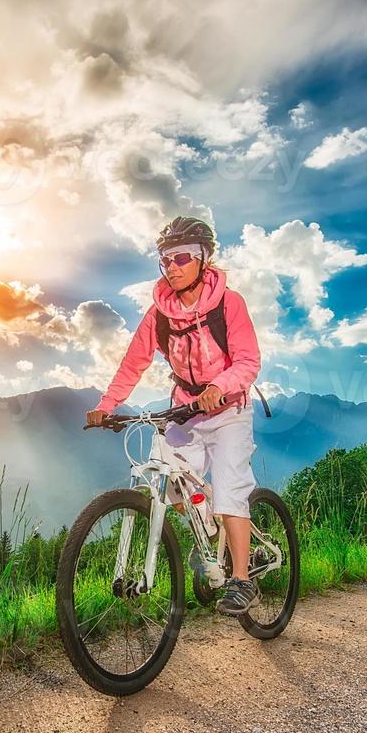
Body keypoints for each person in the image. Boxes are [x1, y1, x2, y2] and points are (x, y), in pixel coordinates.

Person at [85, 216, 263, 615]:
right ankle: (213, 535)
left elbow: (249, 360)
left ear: (204, 258)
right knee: (173, 487)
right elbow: (134, 363)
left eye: (182, 257)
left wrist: (221, 387)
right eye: (165, 260)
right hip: (185, 408)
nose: (173, 266)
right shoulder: (160, 313)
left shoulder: (228, 303)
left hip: (229, 408)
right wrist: (106, 406)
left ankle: (242, 580)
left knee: (232, 489)